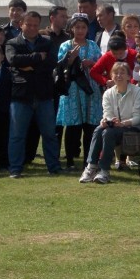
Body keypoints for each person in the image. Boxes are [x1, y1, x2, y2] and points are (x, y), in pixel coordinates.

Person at [5, 11, 62, 178]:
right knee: (17, 135)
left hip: (44, 94)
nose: (32, 28)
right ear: (21, 24)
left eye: (35, 25)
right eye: (28, 24)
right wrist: (37, 57)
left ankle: (54, 166)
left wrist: (28, 65)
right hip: (21, 96)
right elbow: (13, 60)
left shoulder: (47, 42)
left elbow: (52, 63)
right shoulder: (12, 43)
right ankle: (15, 168)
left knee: (50, 134)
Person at [80, 62, 140, 184]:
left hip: (133, 128)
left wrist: (123, 123)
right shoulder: (108, 93)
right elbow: (107, 113)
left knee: (108, 132)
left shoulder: (138, 92)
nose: (119, 76)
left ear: (128, 76)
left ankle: (104, 171)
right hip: (114, 128)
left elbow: (139, 117)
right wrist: (107, 121)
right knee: (99, 129)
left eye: (122, 73)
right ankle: (91, 167)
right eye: (116, 73)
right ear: (111, 76)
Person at [57, 14, 103, 171]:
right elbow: (60, 66)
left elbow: (101, 65)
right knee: (73, 127)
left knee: (90, 127)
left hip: (90, 90)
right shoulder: (65, 45)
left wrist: (92, 63)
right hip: (72, 89)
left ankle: (88, 160)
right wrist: (71, 59)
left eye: (83, 27)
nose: (80, 30)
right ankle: (70, 160)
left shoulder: (93, 45)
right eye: (77, 27)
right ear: (71, 28)